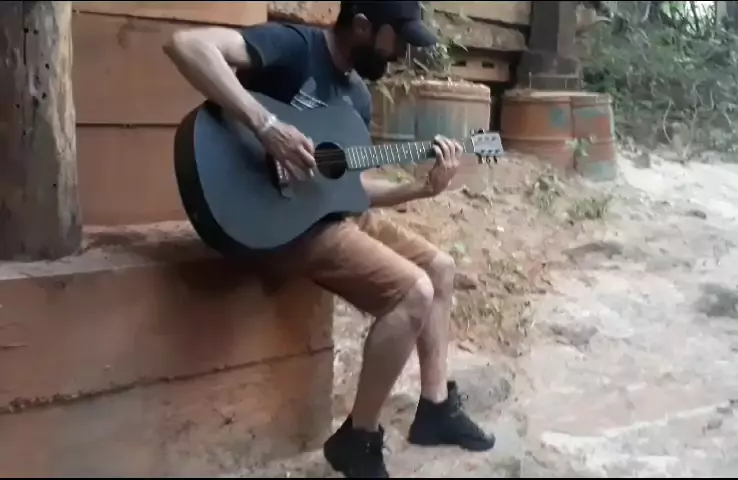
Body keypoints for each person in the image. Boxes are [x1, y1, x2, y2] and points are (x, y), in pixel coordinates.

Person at [163, 1, 495, 477]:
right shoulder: (295, 46)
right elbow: (186, 45)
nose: (400, 53)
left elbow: (349, 190)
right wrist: (266, 125)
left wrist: (421, 188)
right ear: (362, 26)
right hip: (275, 221)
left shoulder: (356, 96)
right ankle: (359, 439)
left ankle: (435, 409)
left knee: (440, 269)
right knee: (412, 293)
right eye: (396, 40)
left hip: (328, 214)